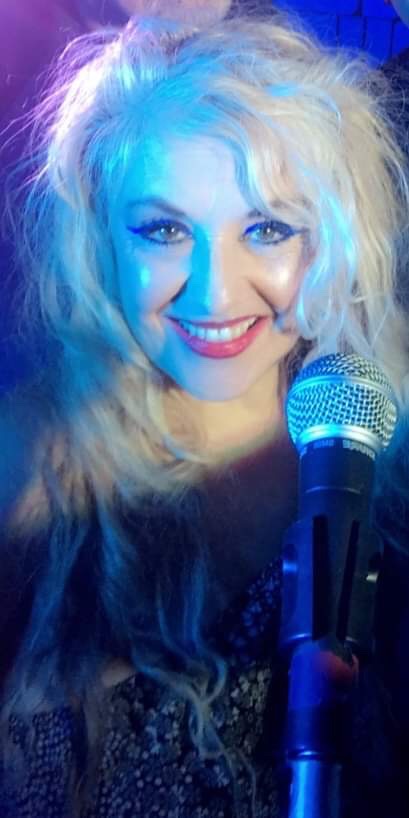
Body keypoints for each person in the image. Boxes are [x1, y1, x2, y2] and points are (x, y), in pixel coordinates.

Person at [1, 0, 409, 815]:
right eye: (163, 231)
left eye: (267, 229)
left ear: (330, 236)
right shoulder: (24, 462)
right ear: (99, 239)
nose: (215, 296)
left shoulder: (380, 445)